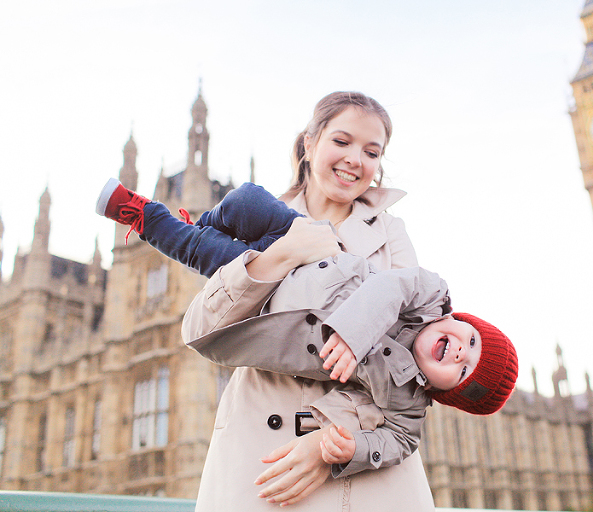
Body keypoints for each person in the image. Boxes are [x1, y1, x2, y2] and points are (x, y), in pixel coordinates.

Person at [102, 91, 436, 511]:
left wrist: (329, 446)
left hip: (365, 457)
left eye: (372, 151)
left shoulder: (391, 235)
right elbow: (199, 330)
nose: (355, 159)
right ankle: (148, 216)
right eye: (342, 141)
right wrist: (282, 254)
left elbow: (413, 364)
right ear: (309, 143)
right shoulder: (259, 213)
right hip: (263, 454)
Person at [97, 177, 518, 477]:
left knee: (200, 252)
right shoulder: (429, 293)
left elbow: (401, 442)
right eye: (473, 340)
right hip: (308, 254)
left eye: (463, 371)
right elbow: (392, 286)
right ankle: (198, 222)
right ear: (458, 319)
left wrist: (354, 449)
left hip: (271, 305)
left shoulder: (406, 401)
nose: (462, 353)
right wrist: (353, 336)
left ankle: (144, 215)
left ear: (445, 391)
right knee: (245, 199)